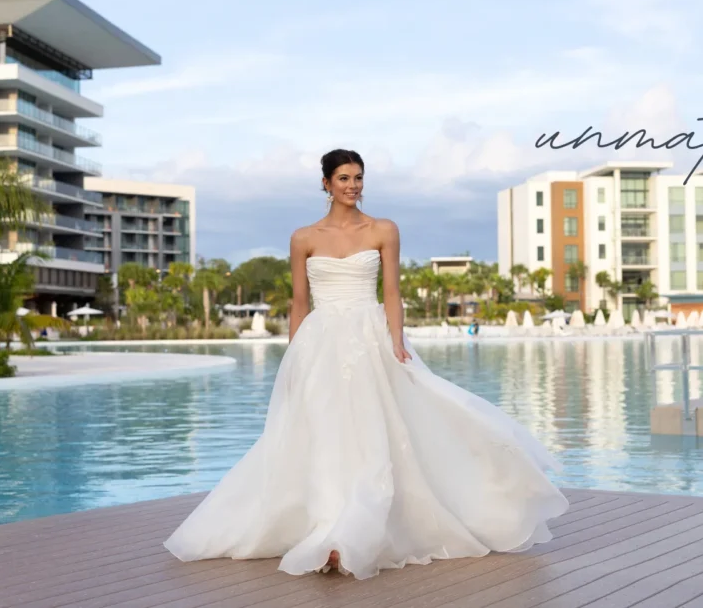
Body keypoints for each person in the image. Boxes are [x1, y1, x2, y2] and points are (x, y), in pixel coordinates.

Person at [163, 149, 568, 580]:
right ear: (326, 183)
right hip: (320, 343)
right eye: (343, 178)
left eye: (358, 177)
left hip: (370, 338)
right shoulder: (303, 238)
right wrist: (294, 358)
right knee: (324, 434)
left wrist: (396, 339)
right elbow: (299, 304)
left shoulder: (383, 229)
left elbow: (391, 292)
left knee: (375, 435)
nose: (352, 185)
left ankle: (351, 534)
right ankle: (326, 527)